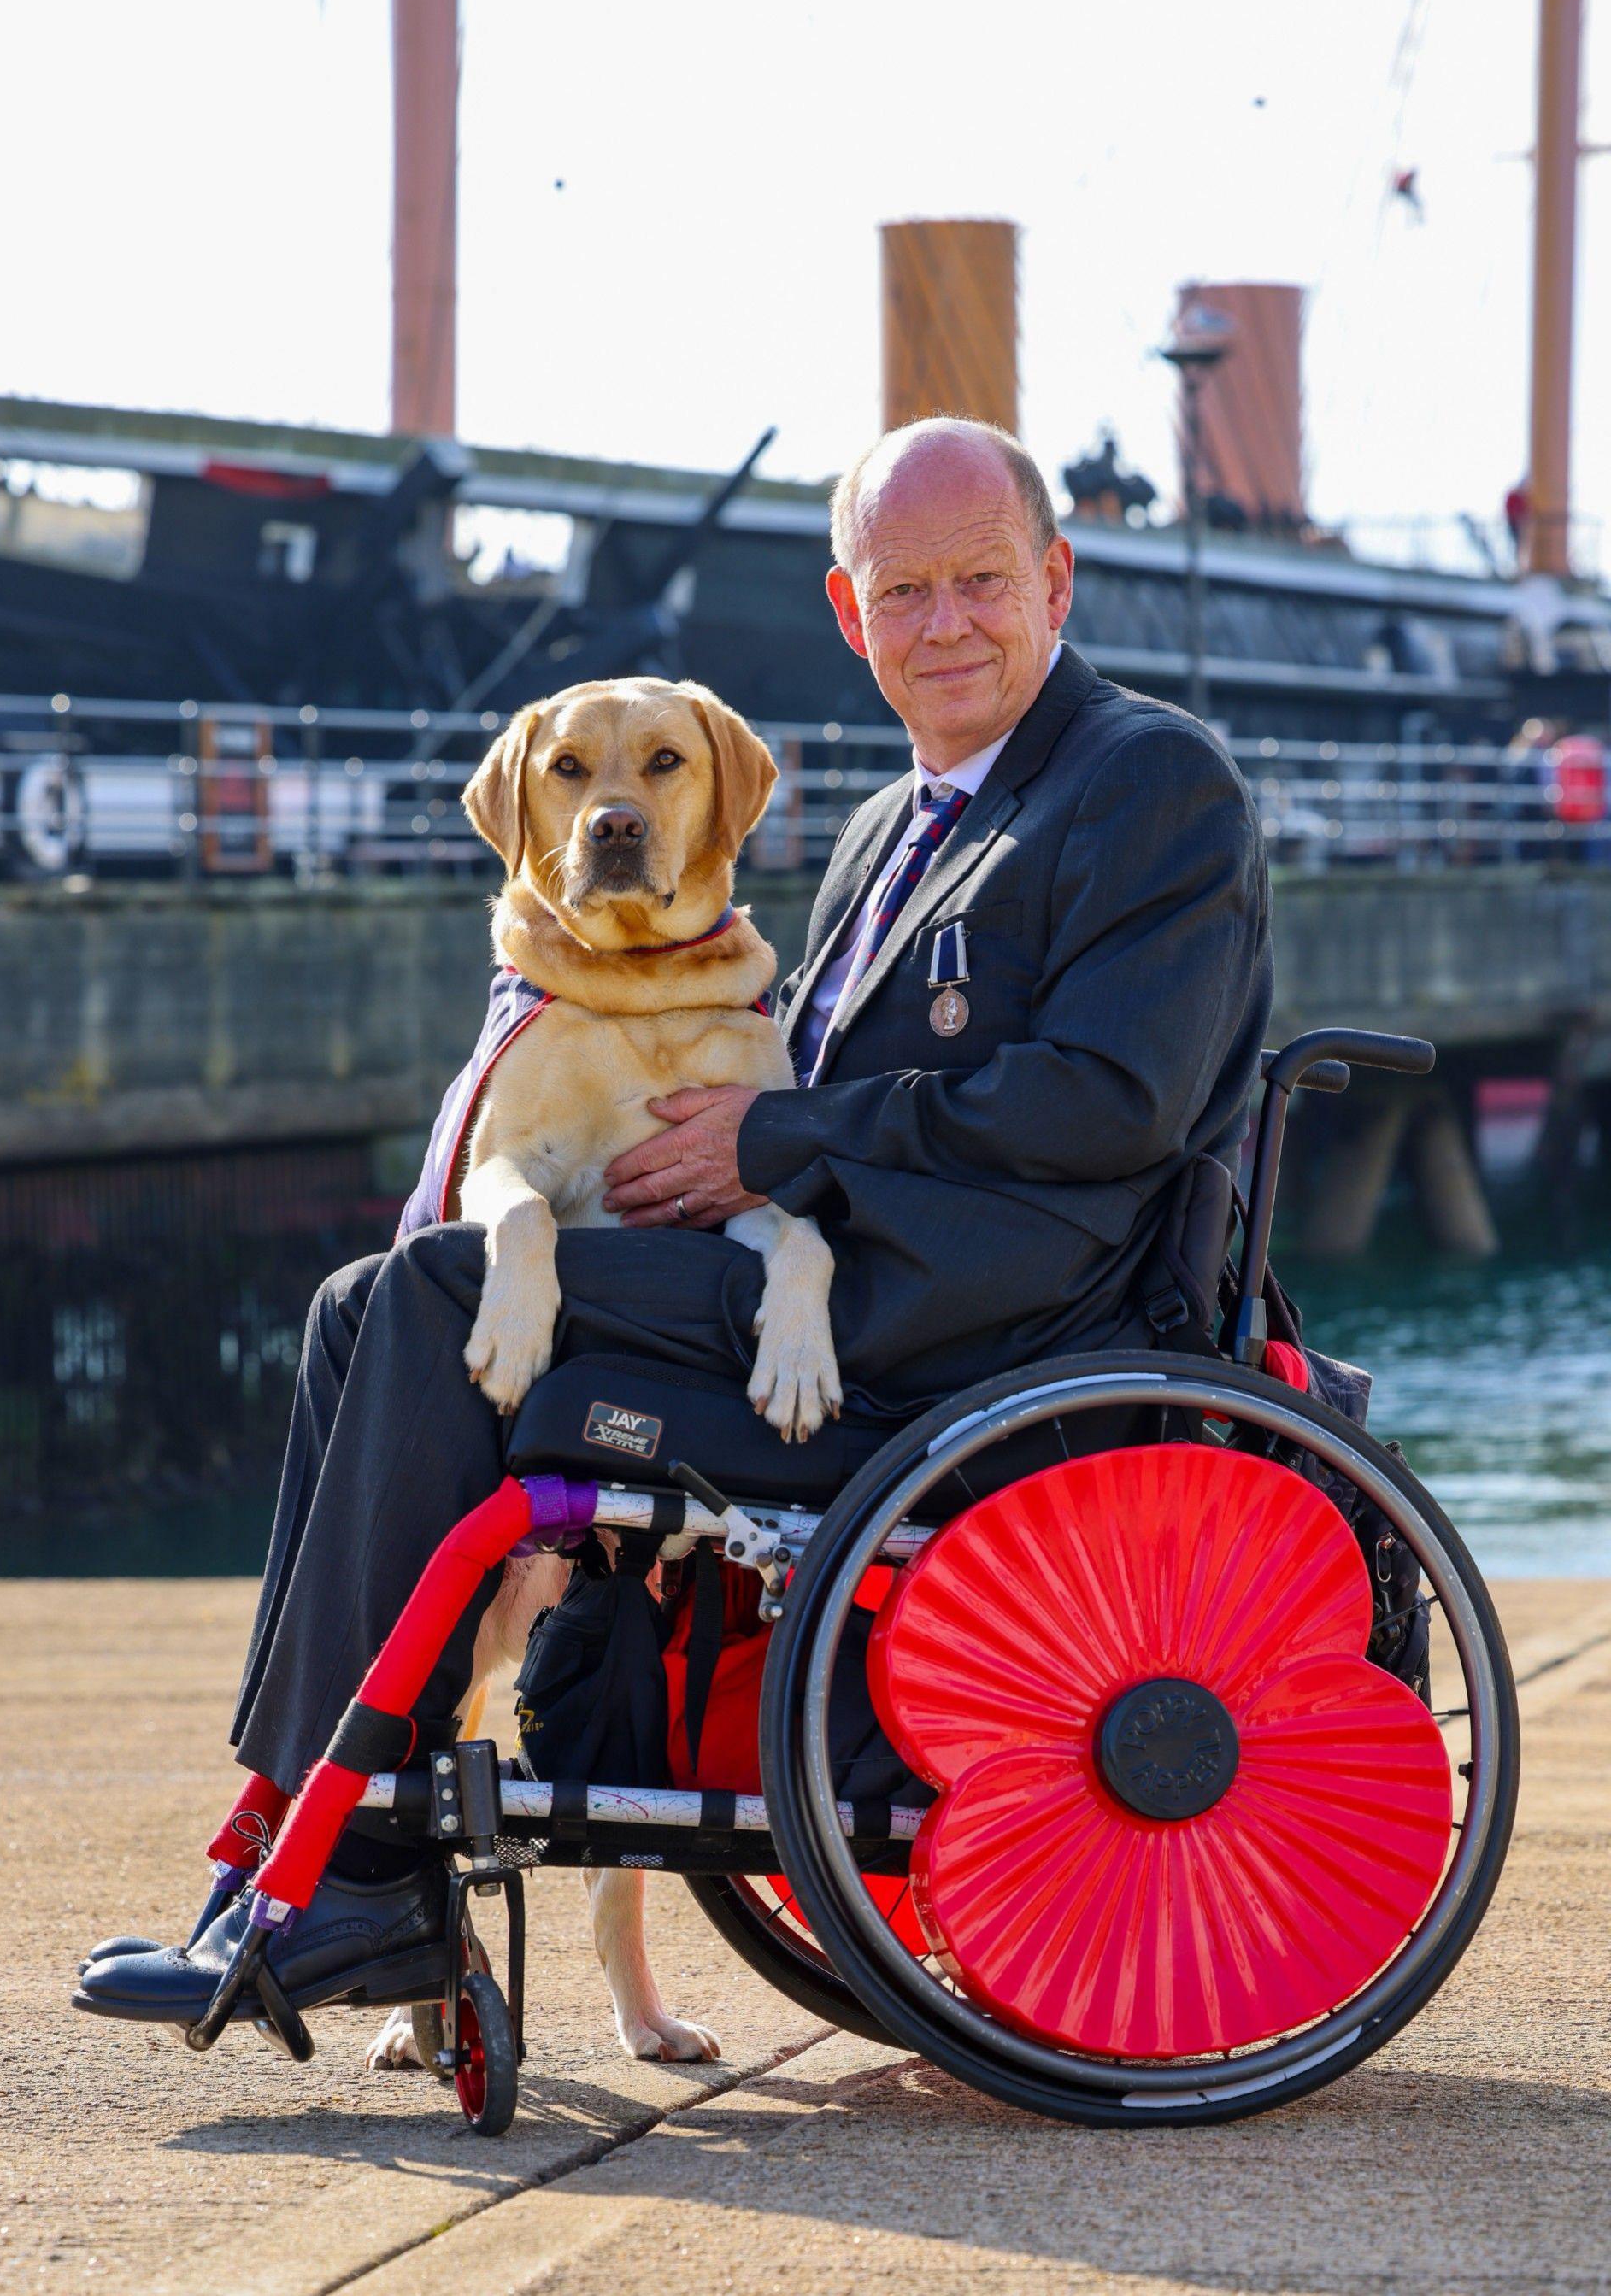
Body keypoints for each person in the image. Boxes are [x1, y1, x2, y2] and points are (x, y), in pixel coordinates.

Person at [78, 417, 1272, 2018]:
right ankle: (290, 1831)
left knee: (436, 1298)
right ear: (850, 616)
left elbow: (1111, 1101)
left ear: (1055, 583)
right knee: (358, 1303)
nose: (945, 625)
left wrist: (777, 1143)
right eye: (902, 591)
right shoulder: (882, 830)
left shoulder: (1148, 778)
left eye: (981, 581)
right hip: (850, 1278)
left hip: (990, 1313)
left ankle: (353, 1873)